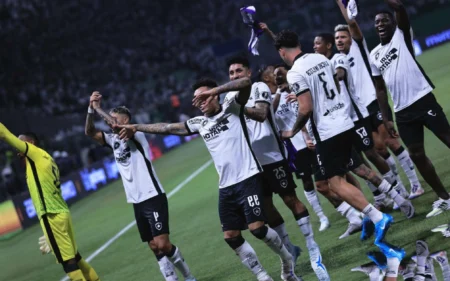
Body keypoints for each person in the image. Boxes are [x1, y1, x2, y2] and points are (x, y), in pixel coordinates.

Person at [117, 77, 299, 281]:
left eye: (204, 97)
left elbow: (246, 82)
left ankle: (287, 260)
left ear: (215, 95)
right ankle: (263, 276)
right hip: (226, 188)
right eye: (197, 99)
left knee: (257, 229)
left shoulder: (233, 108)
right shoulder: (199, 123)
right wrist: (137, 127)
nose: (200, 101)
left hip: (248, 178)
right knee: (231, 236)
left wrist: (213, 90)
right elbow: (167, 127)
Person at [274, 29, 394, 248]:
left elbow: (306, 107)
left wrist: (292, 131)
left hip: (327, 131)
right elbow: (336, 87)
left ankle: (378, 217)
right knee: (353, 171)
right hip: (345, 121)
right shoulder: (320, 58)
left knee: (334, 183)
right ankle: (386, 205)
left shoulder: (294, 72)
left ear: (282, 52)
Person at [226, 56, 329, 280]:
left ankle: (312, 245)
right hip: (250, 166)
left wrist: (238, 108)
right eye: (232, 73)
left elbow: (262, 115)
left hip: (273, 157)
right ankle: (290, 248)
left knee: (290, 199)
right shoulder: (228, 97)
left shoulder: (259, 87)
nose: (235, 75)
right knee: (266, 208)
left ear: (249, 73)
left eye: (239, 71)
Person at [85, 92, 196, 281]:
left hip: (152, 196)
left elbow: (115, 125)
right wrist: (90, 110)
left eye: (115, 117)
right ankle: (171, 279)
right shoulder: (113, 141)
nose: (111, 121)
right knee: (153, 246)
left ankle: (189, 276)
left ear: (126, 119)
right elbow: (89, 132)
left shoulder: (136, 134)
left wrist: (97, 108)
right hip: (136, 200)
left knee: (163, 245)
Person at [334, 0, 423, 200]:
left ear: (350, 37)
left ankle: (416, 184)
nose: (339, 40)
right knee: (379, 149)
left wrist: (340, 3)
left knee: (391, 141)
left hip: (373, 101)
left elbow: (352, 23)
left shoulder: (358, 48)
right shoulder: (337, 61)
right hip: (360, 110)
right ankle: (399, 185)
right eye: (336, 38)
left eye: (342, 37)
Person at [370, 0, 450, 218]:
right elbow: (380, 90)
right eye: (377, 22)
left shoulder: (401, 36)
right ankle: (444, 198)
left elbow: (400, 9)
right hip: (402, 112)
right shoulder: (374, 54)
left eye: (384, 20)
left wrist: (395, 7)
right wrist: (387, 119)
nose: (380, 24)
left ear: (393, 23)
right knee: (416, 154)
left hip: (423, 99)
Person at [273, 63, 364, 240]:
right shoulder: (284, 94)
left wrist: (308, 137)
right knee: (327, 182)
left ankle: (370, 210)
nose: (277, 77)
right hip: (312, 142)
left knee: (349, 174)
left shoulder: (299, 85)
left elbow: (309, 109)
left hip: (324, 137)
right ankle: (359, 214)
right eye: (275, 74)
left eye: (279, 72)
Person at [0, 123, 100, 281]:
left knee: (68, 263)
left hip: (51, 215)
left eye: (20, 142)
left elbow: (5, 135)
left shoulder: (33, 154)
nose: (17, 148)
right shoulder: (47, 157)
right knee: (76, 258)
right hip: (62, 213)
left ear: (30, 143)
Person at [259, 63, 331, 233]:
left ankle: (352, 208)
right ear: (266, 78)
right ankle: (322, 217)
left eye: (278, 71)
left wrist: (307, 136)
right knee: (308, 182)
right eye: (272, 71)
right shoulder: (267, 100)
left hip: (313, 138)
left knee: (331, 175)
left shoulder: (292, 88)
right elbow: (271, 117)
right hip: (296, 147)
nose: (276, 73)